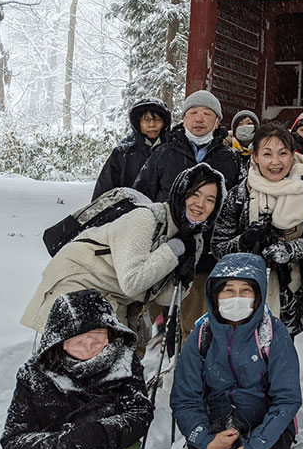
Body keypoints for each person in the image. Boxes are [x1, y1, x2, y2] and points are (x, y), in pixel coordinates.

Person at [22, 163, 224, 334]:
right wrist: (172, 251)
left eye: (210, 200)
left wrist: (184, 277)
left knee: (117, 361)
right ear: (181, 194)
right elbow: (133, 283)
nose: (200, 204)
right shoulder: (146, 219)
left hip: (114, 296)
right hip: (79, 282)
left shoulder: (191, 240)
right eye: (195, 195)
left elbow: (162, 297)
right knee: (79, 359)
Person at [171, 252, 302, 449]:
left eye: (245, 290)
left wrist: (253, 447)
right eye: (228, 290)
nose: (236, 298)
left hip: (266, 430)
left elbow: (287, 400)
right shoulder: (202, 335)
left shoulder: (272, 333)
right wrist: (205, 439)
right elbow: (185, 399)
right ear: (215, 295)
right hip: (215, 429)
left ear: (257, 296)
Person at [1, 289, 154, 449]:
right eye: (79, 342)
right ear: (61, 344)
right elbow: (13, 439)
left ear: (110, 333)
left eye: (97, 338)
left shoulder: (124, 361)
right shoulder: (33, 375)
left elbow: (140, 414)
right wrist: (65, 446)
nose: (89, 347)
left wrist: (99, 433)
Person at [133, 89, 242, 335]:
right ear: (184, 118)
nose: (199, 118)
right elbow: (141, 197)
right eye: (193, 113)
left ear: (218, 120)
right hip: (163, 252)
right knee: (147, 326)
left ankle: (184, 371)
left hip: (205, 258)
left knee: (193, 327)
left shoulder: (230, 159)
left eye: (207, 113)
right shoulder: (163, 153)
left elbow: (237, 205)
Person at [212, 123, 303, 339]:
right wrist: (245, 241)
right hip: (246, 297)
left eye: (283, 153)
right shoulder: (239, 196)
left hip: (296, 297)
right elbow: (218, 247)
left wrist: (290, 250)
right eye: (267, 154)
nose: (275, 162)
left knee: (286, 361)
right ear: (255, 156)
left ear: (293, 155)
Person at [92, 97, 171, 200]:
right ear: (138, 123)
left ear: (165, 123)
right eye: (146, 120)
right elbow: (103, 194)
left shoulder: (174, 152)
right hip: (129, 214)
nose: (152, 125)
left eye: (157, 119)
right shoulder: (121, 154)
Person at [230, 110, 260, 177]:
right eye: (240, 124)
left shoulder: (262, 149)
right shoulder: (228, 151)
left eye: (249, 123)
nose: (244, 127)